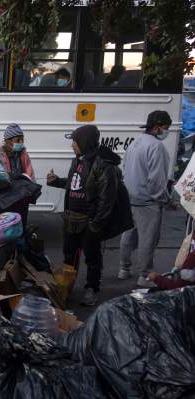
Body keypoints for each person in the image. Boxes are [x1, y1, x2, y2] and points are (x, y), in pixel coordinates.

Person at [46, 125, 123, 306]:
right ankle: (66, 287)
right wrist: (57, 181)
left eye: (74, 141)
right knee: (69, 255)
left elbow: (107, 199)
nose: (72, 145)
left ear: (84, 142)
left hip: (89, 220)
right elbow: (76, 184)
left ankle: (92, 288)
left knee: (92, 257)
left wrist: (96, 224)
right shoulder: (78, 159)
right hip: (71, 218)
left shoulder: (103, 164)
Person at [118, 110, 173, 287]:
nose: (167, 131)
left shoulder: (135, 143)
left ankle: (123, 269)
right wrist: (165, 199)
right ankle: (145, 275)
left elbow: (125, 168)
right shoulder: (157, 147)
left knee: (128, 234)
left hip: (130, 197)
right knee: (147, 239)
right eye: (166, 128)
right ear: (157, 128)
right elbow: (157, 181)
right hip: (148, 201)